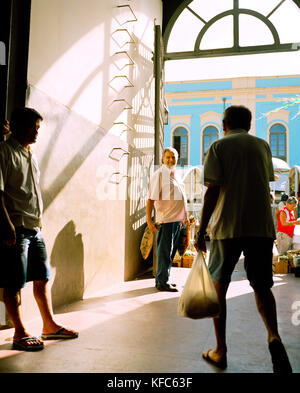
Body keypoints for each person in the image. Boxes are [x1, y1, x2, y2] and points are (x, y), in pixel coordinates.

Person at [195, 105, 292, 374]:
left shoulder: (219, 147)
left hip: (228, 227)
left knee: (219, 289)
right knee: (262, 287)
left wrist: (201, 230)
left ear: (224, 125)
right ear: (249, 125)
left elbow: (212, 192)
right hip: (260, 227)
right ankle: (274, 336)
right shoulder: (262, 146)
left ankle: (220, 351)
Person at [0, 107, 78, 351]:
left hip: (35, 227)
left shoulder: (30, 154)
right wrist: (6, 225)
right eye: (32, 127)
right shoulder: (4, 151)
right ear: (17, 126)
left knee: (42, 278)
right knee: (13, 283)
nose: (36, 132)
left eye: (38, 128)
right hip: (16, 227)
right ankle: (19, 332)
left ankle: (49, 325)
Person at [147, 147, 187, 292]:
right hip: (166, 220)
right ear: (163, 159)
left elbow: (179, 198)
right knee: (164, 252)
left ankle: (164, 279)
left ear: (177, 159)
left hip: (176, 220)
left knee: (170, 253)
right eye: (168, 157)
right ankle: (162, 282)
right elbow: (150, 200)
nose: (171, 160)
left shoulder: (174, 175)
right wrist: (149, 221)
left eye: (173, 157)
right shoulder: (160, 175)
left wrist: (185, 217)